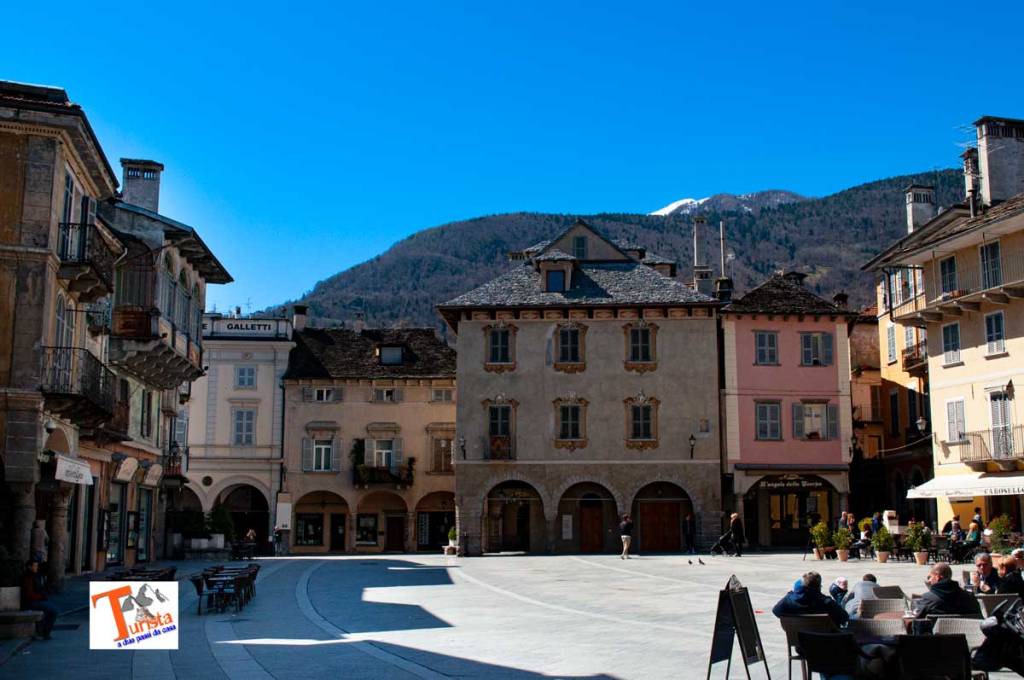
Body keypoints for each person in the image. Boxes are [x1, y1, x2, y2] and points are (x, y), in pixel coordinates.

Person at [772, 571, 849, 626]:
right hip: (826, 643)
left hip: (800, 643)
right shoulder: (826, 603)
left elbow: (776, 611)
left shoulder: (787, 601)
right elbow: (845, 617)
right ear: (818, 588)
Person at [914, 562, 982, 619]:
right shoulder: (970, 598)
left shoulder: (928, 598)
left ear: (937, 576)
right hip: (968, 634)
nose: (929, 581)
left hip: (938, 634)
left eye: (930, 577)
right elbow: (979, 618)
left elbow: (917, 619)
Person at [21, 559, 57, 640]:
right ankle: (45, 633)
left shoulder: (35, 575)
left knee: (50, 609)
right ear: (29, 567)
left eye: (37, 566)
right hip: (31, 602)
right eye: (35, 566)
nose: (36, 567)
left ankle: (42, 631)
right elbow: (29, 594)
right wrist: (41, 596)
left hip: (37, 600)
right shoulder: (28, 577)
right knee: (54, 611)